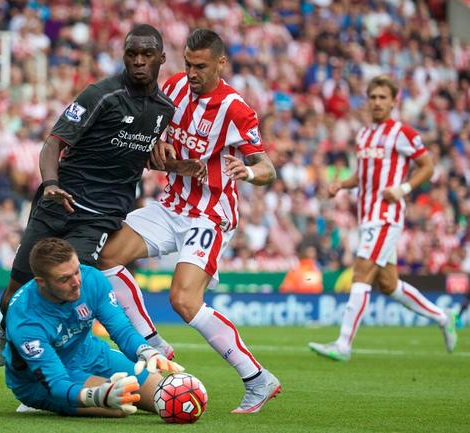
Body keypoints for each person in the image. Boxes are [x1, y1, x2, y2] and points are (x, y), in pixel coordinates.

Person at [0, 24, 205, 365]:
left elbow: (143, 155)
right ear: (123, 56)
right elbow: (53, 144)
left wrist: (178, 165)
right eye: (131, 54)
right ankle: (8, 326)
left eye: (147, 55)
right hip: (57, 202)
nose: (138, 61)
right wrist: (50, 185)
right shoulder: (100, 95)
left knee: (66, 292)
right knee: (13, 295)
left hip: (100, 217)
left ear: (162, 59)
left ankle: (41, 371)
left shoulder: (164, 109)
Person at [97, 29, 280, 414]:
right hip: (171, 204)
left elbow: (268, 168)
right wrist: (156, 141)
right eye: (188, 65)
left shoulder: (235, 108)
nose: (192, 73)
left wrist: (246, 173)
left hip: (210, 215)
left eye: (200, 66)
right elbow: (157, 128)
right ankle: (152, 341)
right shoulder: (177, 87)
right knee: (105, 257)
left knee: (183, 299)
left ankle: (257, 378)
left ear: (220, 63)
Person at [308, 75, 457, 361]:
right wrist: (342, 184)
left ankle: (343, 344)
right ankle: (442, 317)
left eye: (382, 97)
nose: (377, 102)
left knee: (361, 272)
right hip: (367, 215)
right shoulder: (364, 135)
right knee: (388, 284)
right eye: (373, 97)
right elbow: (363, 176)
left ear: (393, 101)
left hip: (386, 216)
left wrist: (403, 189)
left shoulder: (403, 133)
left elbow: (427, 165)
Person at [4, 238, 183, 416]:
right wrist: (95, 396)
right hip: (39, 380)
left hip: (88, 353)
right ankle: (38, 403)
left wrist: (145, 351)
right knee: (119, 407)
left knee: (168, 394)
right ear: (41, 282)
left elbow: (122, 329)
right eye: (64, 278)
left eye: (76, 271)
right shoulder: (25, 320)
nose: (76, 282)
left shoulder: (92, 279)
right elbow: (56, 382)